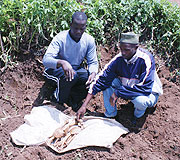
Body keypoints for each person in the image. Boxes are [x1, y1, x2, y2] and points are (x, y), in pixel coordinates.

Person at [77, 32, 163, 123]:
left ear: (136, 48)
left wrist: (118, 92)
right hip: (128, 87)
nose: (123, 53)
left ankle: (138, 117)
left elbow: (145, 88)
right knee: (107, 83)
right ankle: (110, 116)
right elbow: (101, 79)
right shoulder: (119, 59)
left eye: (127, 50)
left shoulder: (146, 59)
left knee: (141, 101)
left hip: (148, 93)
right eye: (121, 49)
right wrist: (84, 105)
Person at [43, 11, 99, 111]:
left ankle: (71, 100)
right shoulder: (61, 38)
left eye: (81, 29)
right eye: (75, 28)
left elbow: (93, 62)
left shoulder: (89, 40)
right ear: (70, 25)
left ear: (85, 27)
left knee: (89, 80)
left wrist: (93, 73)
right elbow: (46, 60)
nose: (78, 32)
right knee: (71, 75)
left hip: (75, 71)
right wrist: (62, 63)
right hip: (54, 71)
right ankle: (57, 99)